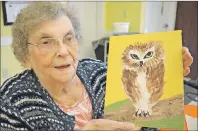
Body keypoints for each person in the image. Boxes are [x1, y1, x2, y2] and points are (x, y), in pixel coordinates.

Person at [0, 2, 193, 131]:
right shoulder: (11, 101)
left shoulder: (99, 73)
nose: (63, 51)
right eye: (46, 42)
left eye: (69, 38)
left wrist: (168, 71)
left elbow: (146, 123)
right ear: (25, 55)